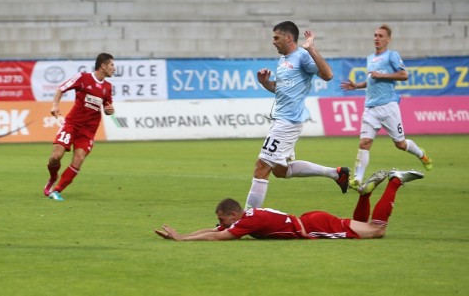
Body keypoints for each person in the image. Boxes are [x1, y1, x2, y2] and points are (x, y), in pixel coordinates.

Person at [246, 21, 349, 210]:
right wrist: (265, 83)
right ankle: (337, 174)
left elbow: (327, 75)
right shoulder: (283, 60)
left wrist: (311, 49)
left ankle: (247, 217)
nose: (273, 42)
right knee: (280, 171)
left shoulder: (303, 56)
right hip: (282, 119)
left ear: (288, 37)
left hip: (288, 121)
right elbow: (280, 89)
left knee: (261, 167)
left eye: (276, 38)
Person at [154, 169, 423, 241]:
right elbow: (213, 231)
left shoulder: (248, 221)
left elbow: (219, 237)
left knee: (377, 231)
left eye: (223, 219)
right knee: (363, 226)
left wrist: (183, 241)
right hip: (311, 220)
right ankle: (364, 195)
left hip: (316, 225)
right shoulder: (244, 217)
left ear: (234, 214)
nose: (221, 223)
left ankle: (396, 181)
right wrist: (183, 235)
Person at [341, 24, 432, 194]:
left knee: (400, 144)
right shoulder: (370, 58)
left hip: (388, 106)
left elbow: (404, 75)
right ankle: (357, 180)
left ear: (388, 39)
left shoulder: (392, 56)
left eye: (381, 36)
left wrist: (382, 75)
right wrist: (357, 85)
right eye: (375, 35)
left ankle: (421, 154)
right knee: (364, 143)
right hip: (370, 108)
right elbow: (372, 80)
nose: (377, 38)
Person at [43, 53, 116, 201]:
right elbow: (61, 88)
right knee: (55, 157)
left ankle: (56, 190)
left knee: (79, 158)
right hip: (72, 124)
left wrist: (110, 110)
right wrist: (55, 105)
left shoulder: (108, 87)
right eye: (111, 65)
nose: (114, 68)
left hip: (88, 130)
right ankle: (52, 177)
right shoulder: (83, 78)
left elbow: (108, 107)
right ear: (103, 66)